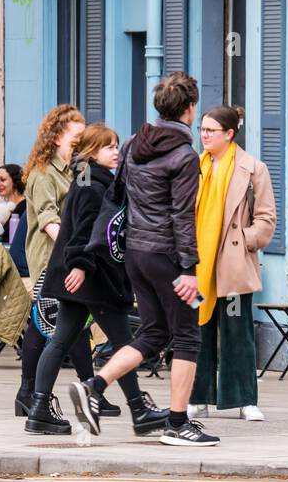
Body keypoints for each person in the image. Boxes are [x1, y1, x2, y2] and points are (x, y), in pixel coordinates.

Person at [69, 73, 218, 446]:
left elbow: (117, 194)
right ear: (189, 109)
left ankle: (93, 386)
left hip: (136, 252)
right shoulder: (185, 157)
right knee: (187, 335)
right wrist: (188, 269)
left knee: (153, 332)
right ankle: (178, 422)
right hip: (168, 256)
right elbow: (182, 215)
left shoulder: (134, 143)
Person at [26, 124, 167, 436]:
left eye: (117, 145)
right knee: (122, 344)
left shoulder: (95, 179)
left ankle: (38, 409)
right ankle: (139, 410)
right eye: (108, 147)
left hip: (87, 277)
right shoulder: (92, 184)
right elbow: (85, 230)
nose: (115, 152)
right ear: (91, 152)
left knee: (64, 340)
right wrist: (80, 266)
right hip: (93, 279)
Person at [15, 106, 113, 419]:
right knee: (44, 325)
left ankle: (88, 389)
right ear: (57, 137)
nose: (81, 143)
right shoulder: (44, 173)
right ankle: (28, 393)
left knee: (73, 323)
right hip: (50, 257)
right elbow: (48, 219)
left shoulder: (76, 170)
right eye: (76, 138)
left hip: (70, 257)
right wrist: (77, 249)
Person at [188, 106, 276, 422]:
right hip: (198, 263)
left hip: (233, 263)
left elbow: (266, 219)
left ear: (229, 133)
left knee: (237, 332)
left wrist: (243, 242)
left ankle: (244, 400)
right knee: (198, 330)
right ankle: (198, 397)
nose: (204, 135)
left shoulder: (253, 169)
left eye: (211, 130)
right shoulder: (193, 166)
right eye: (202, 129)